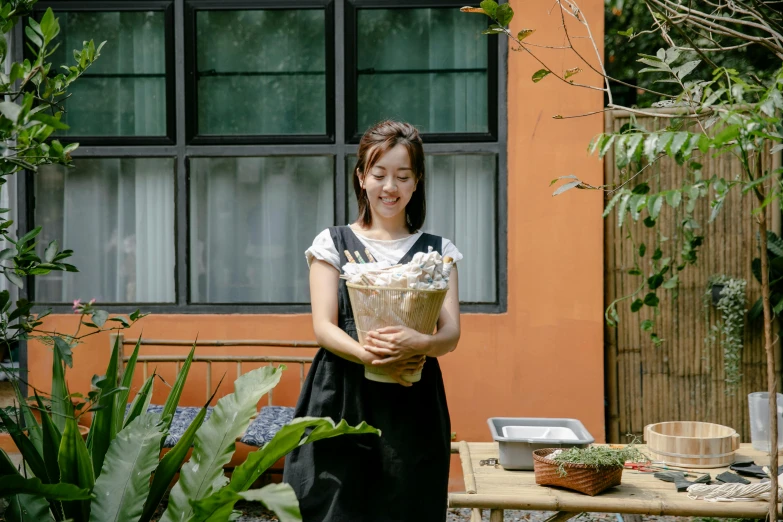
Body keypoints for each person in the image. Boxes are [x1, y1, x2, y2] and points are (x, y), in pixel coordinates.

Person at [283, 120, 462, 522]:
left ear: (416, 182)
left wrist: (417, 344)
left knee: (407, 503)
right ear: (361, 178)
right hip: (342, 394)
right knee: (332, 504)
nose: (390, 187)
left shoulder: (439, 251)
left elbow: (449, 334)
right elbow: (324, 326)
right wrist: (372, 356)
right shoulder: (332, 243)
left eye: (403, 176)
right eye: (379, 174)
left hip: (412, 398)